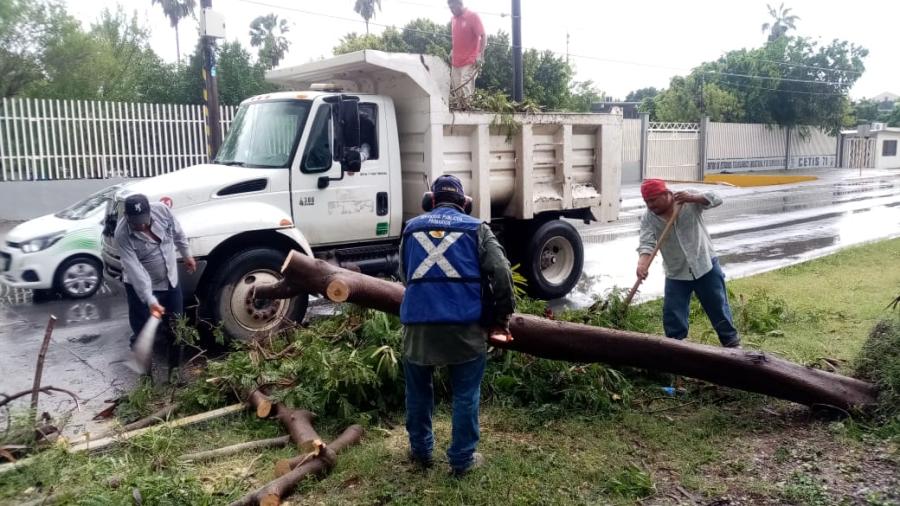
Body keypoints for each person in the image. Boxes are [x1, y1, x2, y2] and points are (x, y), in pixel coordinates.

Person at [399, 174, 515, 477]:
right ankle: (462, 460)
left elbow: (404, 274)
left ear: (431, 201)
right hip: (464, 327)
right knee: (465, 393)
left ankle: (421, 451)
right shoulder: (478, 229)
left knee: (418, 391)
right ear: (465, 203)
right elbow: (502, 272)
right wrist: (500, 319)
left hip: (418, 327)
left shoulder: (411, 230)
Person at [636, 179, 741, 348]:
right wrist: (642, 264)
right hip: (676, 271)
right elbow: (646, 243)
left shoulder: (686, 199)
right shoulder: (649, 218)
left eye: (653, 200)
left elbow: (716, 199)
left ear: (666, 194)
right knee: (673, 314)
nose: (650, 205)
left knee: (718, 307)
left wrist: (694, 198)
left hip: (704, 264)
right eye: (646, 201)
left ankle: (732, 344)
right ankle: (676, 349)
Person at [115, 194, 196, 356]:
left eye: (144, 220)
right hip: (140, 287)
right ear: (127, 217)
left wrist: (187, 254)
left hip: (170, 280)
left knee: (176, 326)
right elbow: (135, 271)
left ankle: (174, 371)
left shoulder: (163, 211)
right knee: (143, 331)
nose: (142, 225)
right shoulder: (122, 234)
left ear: (150, 211)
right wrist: (150, 300)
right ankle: (145, 371)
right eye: (136, 223)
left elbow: (178, 232)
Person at [448, 0, 485, 107]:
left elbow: (483, 36)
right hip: (456, 61)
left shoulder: (472, 16)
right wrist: (452, 50)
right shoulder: (454, 19)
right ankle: (460, 114)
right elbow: (458, 38)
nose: (451, 10)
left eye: (453, 7)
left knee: (465, 87)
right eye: (449, 8)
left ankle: (467, 112)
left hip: (470, 60)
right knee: (456, 89)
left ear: (460, 4)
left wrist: (480, 55)